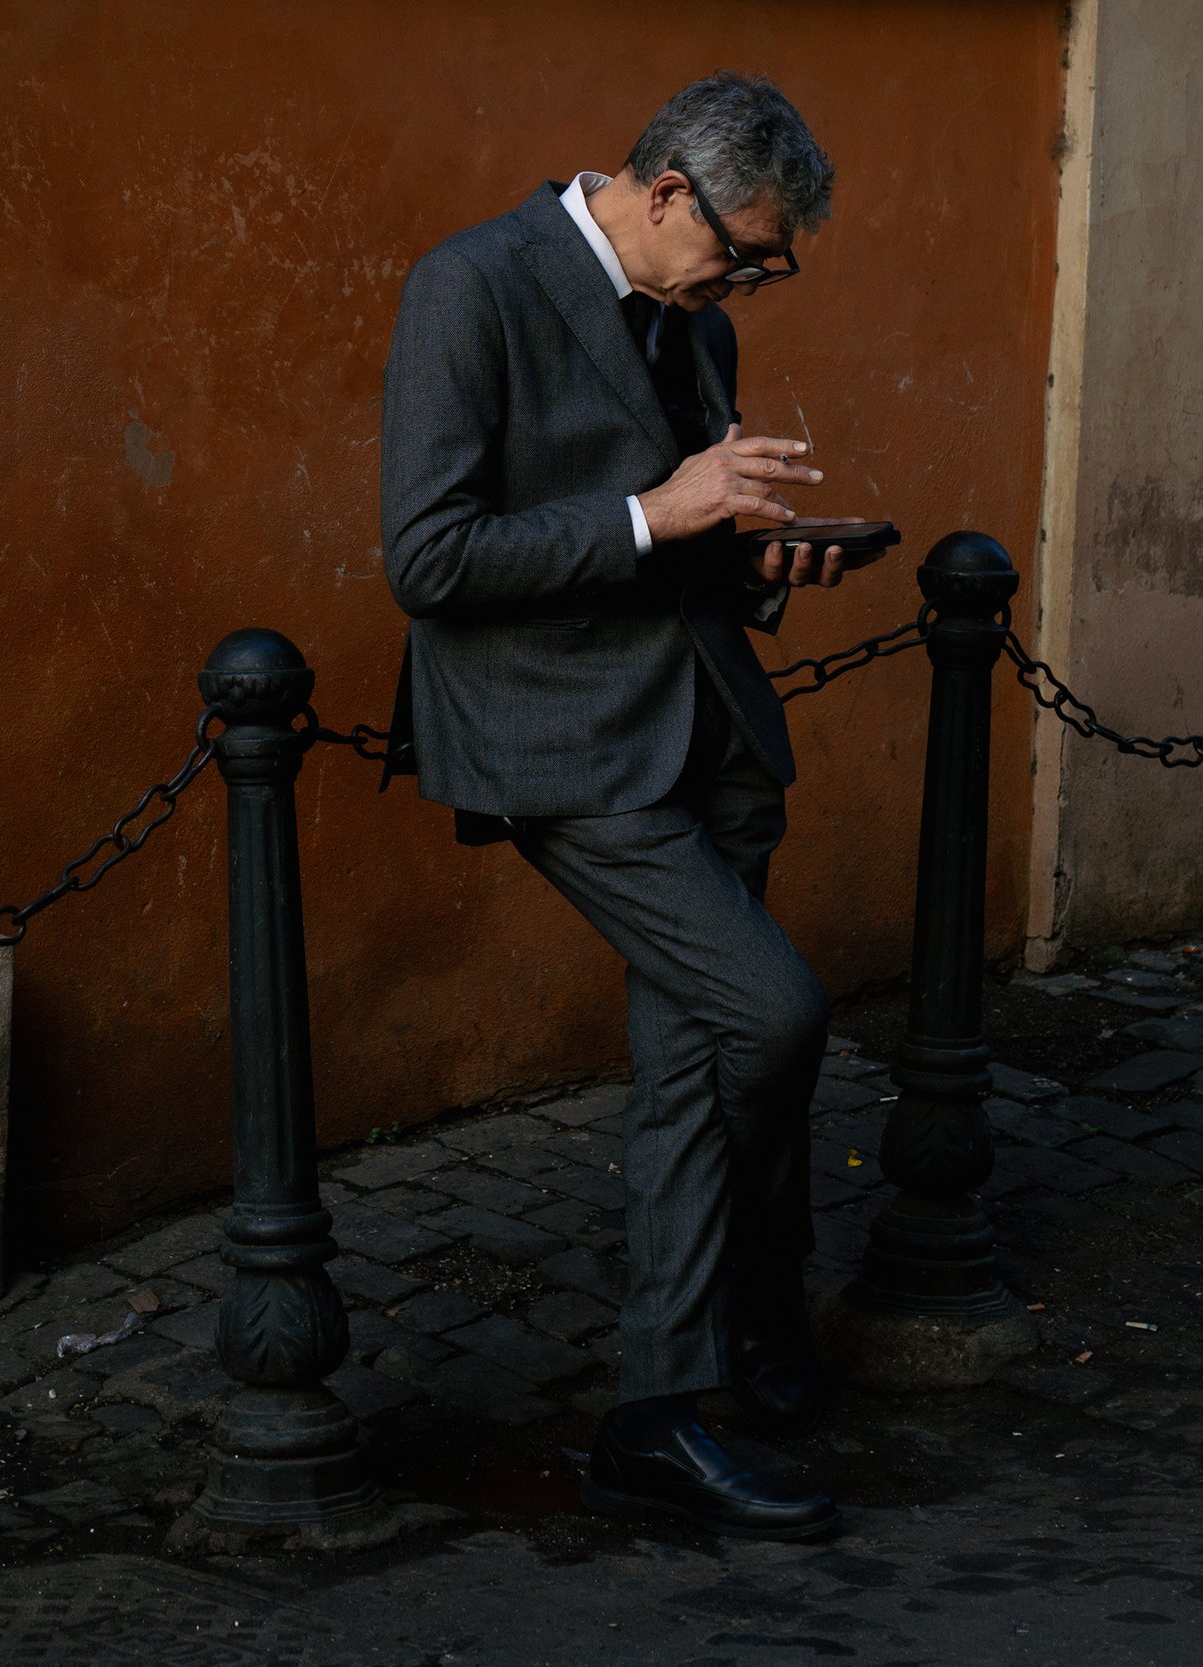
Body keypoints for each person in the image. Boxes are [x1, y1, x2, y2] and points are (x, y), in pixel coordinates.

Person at [379, 71, 884, 1542]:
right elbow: (429, 557)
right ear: (666, 192)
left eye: (766, 263)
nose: (749, 280)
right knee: (774, 1014)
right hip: (560, 741)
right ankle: (753, 1309)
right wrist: (658, 514)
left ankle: (669, 1407)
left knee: (689, 1066)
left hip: (710, 729)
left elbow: (689, 553)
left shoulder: (697, 321)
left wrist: (759, 565)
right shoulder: (469, 287)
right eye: (746, 248)